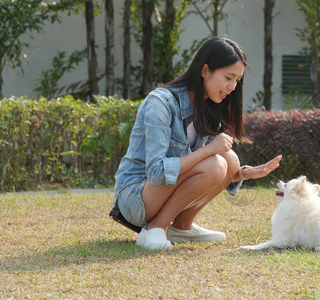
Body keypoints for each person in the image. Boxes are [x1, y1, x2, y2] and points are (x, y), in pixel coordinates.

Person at [112, 37, 282, 250]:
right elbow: (156, 172)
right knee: (217, 161)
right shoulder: (161, 103)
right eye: (228, 77)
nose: (232, 87)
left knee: (229, 160)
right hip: (135, 198)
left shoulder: (208, 107)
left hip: (158, 193)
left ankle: (182, 227)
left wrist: (244, 174)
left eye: (237, 80)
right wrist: (210, 150)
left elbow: (204, 172)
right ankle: (155, 228)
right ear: (204, 71)